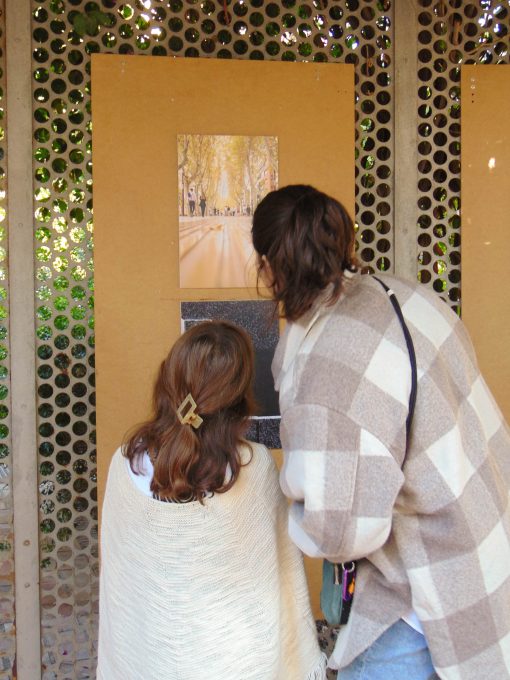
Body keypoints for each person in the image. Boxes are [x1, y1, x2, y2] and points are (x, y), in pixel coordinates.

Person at [251, 184, 510, 679]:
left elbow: (342, 533)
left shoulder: (331, 366)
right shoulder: (410, 296)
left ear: (267, 267)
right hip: (485, 545)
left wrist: (288, 506)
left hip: (421, 600)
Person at [97, 320, 326, 680]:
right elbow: (280, 577)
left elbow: (121, 588)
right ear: (239, 396)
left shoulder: (126, 462)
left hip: (146, 662)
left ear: (169, 377)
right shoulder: (253, 465)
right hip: (239, 667)